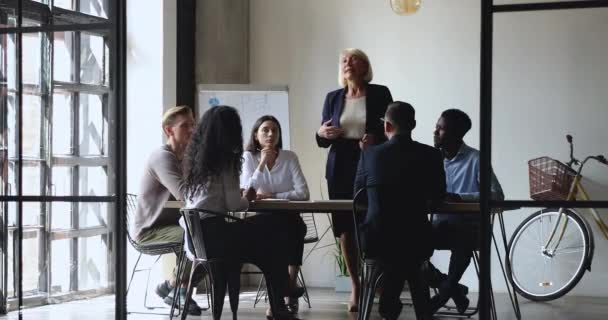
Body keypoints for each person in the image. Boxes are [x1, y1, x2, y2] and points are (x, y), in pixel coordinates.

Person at [182, 105, 298, 320]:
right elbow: (235, 205)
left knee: (271, 233)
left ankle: (282, 294)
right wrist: (249, 197)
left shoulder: (196, 160)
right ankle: (281, 297)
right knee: (275, 227)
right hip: (216, 237)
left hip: (196, 238)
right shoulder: (225, 161)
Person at [316, 48, 393, 311]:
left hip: (371, 162)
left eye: (354, 59)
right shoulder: (333, 97)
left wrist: (376, 139)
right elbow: (321, 139)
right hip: (340, 165)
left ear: (364, 66)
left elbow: (391, 130)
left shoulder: (381, 93)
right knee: (345, 227)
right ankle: (356, 286)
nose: (348, 63)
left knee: (375, 221)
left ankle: (381, 285)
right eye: (344, 60)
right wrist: (321, 132)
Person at [354, 101, 445, 320]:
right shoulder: (432, 155)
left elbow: (358, 197)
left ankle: (389, 308)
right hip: (417, 239)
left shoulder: (369, 155)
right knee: (410, 258)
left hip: (378, 239)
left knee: (395, 253)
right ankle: (421, 310)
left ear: (386, 126)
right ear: (413, 124)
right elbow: (438, 198)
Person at [427, 108, 505, 315]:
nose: (435, 132)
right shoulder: (430, 160)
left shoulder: (476, 159)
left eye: (441, 129)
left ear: (456, 134)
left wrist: (460, 198)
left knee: (463, 237)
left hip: (471, 229)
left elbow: (497, 195)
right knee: (407, 244)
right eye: (436, 127)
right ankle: (453, 288)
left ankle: (442, 295)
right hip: (437, 227)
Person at [133, 106, 203, 315]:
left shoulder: (187, 157)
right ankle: (180, 290)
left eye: (193, 124)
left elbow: (198, 189)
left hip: (174, 226)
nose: (192, 129)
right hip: (149, 231)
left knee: (215, 239)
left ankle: (172, 285)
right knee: (198, 236)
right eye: (185, 126)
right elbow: (185, 193)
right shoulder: (162, 156)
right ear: (169, 131)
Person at [241, 115, 309, 313]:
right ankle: (284, 290)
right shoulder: (248, 157)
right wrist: (262, 163)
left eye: (275, 130)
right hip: (259, 218)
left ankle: (287, 285)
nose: (271, 134)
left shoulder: (289, 157)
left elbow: (303, 193)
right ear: (255, 135)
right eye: (265, 130)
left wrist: (274, 195)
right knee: (279, 233)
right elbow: (247, 192)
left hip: (287, 216)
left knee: (295, 226)